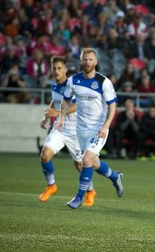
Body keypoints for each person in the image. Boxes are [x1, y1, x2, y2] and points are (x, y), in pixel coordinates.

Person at [56, 48, 124, 209]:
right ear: (81, 61)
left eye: (90, 59)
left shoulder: (103, 82)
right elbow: (65, 101)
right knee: (93, 163)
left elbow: (112, 107)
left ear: (96, 62)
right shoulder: (73, 81)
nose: (87, 62)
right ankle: (115, 177)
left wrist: (106, 126)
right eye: (84, 59)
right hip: (80, 129)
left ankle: (79, 197)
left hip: (98, 129)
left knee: (85, 160)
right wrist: (62, 118)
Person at [39, 56, 96, 206]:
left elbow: (77, 105)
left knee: (79, 165)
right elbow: (55, 100)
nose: (56, 71)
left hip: (75, 131)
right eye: (54, 68)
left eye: (59, 68)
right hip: (60, 129)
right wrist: (47, 116)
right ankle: (51, 185)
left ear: (65, 69)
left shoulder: (72, 85)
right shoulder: (54, 85)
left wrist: (57, 113)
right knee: (45, 155)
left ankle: (90, 191)